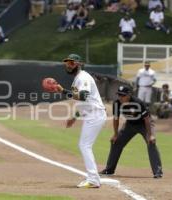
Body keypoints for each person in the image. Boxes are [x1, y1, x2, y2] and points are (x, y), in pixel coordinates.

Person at [55, 54, 107, 188]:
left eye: (71, 63)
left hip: (95, 115)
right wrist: (75, 116)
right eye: (67, 63)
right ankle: (93, 178)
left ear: (78, 64)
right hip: (91, 114)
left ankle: (93, 180)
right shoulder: (78, 78)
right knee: (84, 145)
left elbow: (83, 96)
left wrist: (62, 91)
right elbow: (84, 102)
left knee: (84, 145)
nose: (68, 65)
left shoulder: (83, 77)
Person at [100, 86, 163, 178]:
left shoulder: (138, 102)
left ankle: (158, 171)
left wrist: (150, 135)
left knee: (151, 142)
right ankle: (109, 170)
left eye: (123, 95)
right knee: (116, 142)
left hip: (144, 124)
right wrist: (115, 134)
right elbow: (116, 119)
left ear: (129, 95)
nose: (120, 97)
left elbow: (147, 119)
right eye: (119, 95)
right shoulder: (117, 103)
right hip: (130, 124)